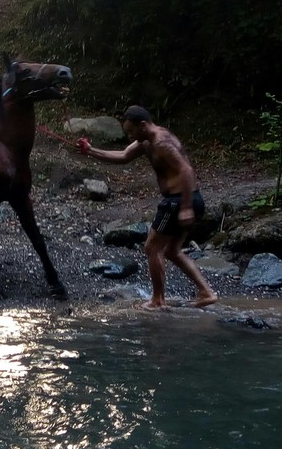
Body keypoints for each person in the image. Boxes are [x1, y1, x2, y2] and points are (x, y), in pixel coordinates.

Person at [79, 106, 219, 310]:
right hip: (184, 200)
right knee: (171, 251)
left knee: (152, 247)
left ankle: (157, 300)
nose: (129, 136)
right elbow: (124, 156)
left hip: (179, 201)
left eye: (131, 131)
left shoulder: (162, 143)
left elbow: (186, 170)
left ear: (143, 125)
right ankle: (206, 292)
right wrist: (91, 151)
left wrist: (186, 207)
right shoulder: (146, 141)